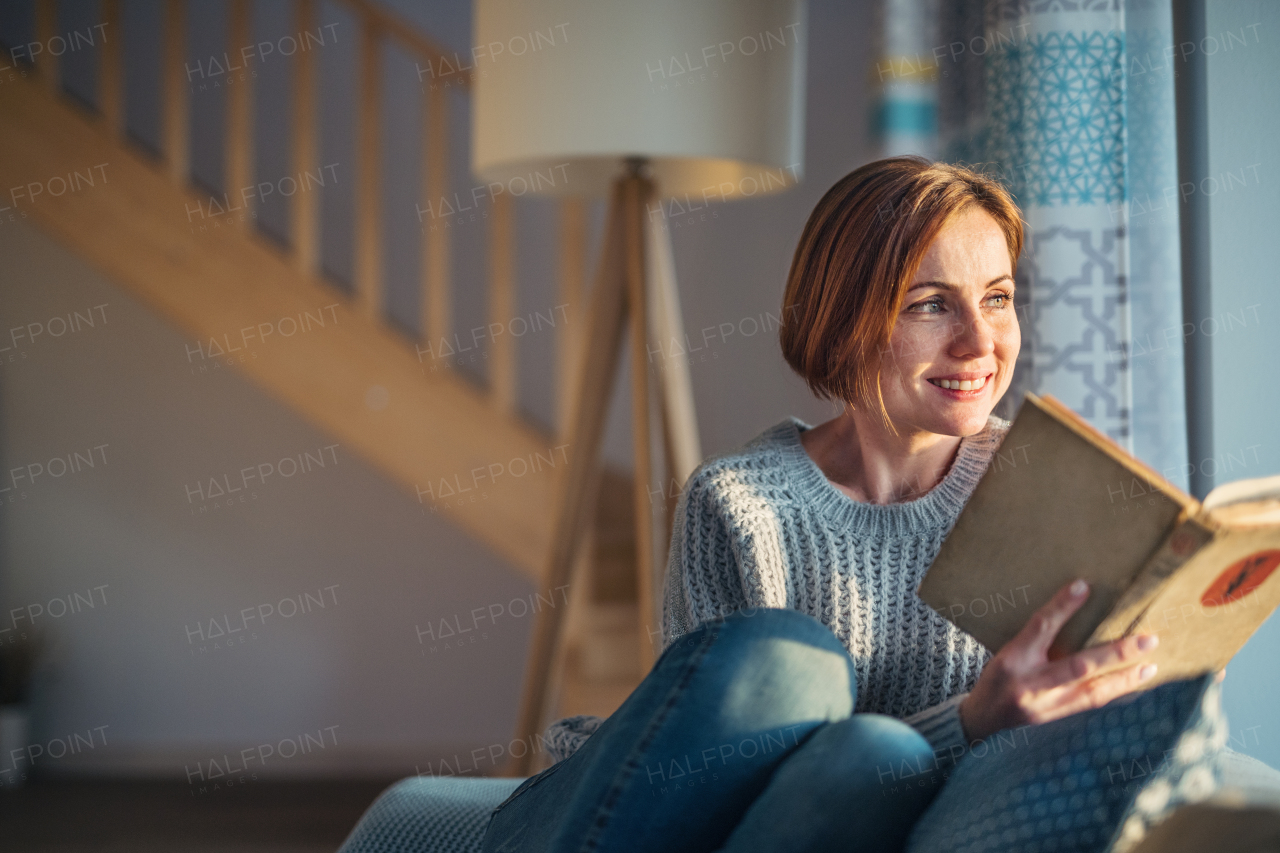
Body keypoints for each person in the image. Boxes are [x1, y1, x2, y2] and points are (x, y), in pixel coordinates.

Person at [478, 157, 1167, 853]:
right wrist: (967, 720)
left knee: (875, 752)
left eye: (997, 297)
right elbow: (702, 778)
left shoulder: (1054, 490)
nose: (980, 342)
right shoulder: (739, 503)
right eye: (931, 303)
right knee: (792, 663)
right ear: (842, 320)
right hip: (632, 819)